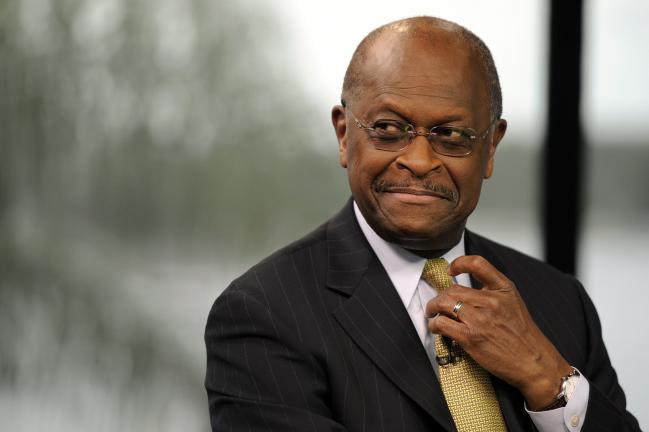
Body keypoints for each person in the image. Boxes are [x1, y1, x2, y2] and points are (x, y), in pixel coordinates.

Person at [204, 16, 640, 431]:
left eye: (451, 136)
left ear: (490, 148)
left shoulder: (561, 302)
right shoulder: (264, 314)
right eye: (389, 128)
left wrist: (548, 380)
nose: (418, 160)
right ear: (343, 135)